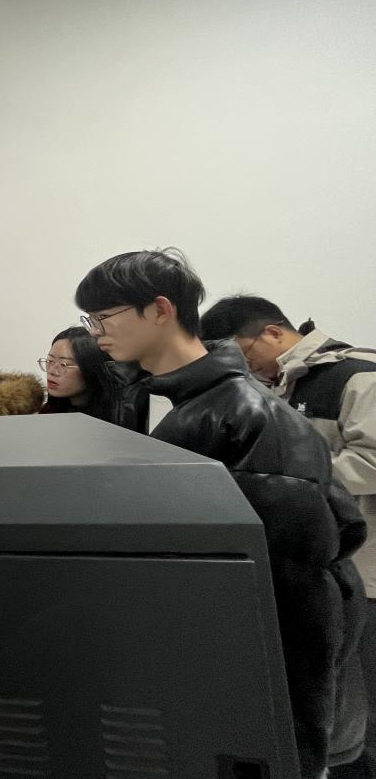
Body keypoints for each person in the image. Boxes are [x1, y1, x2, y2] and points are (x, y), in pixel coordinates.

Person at [76, 249, 366, 778]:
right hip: (205, 660)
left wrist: (299, 749)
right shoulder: (165, 399)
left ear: (160, 309)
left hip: (257, 684)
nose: (96, 333)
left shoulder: (249, 415)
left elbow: (300, 594)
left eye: (103, 317)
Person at [202, 295, 376, 777]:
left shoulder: (358, 375)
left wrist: (286, 481)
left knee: (363, 708)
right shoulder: (281, 384)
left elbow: (371, 461)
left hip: (366, 571)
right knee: (335, 704)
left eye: (243, 353)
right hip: (323, 569)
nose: (244, 367)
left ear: (273, 333)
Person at [39, 326, 149, 432]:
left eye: (64, 364)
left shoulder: (118, 417)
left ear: (91, 368)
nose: (52, 371)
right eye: (50, 361)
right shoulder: (49, 411)